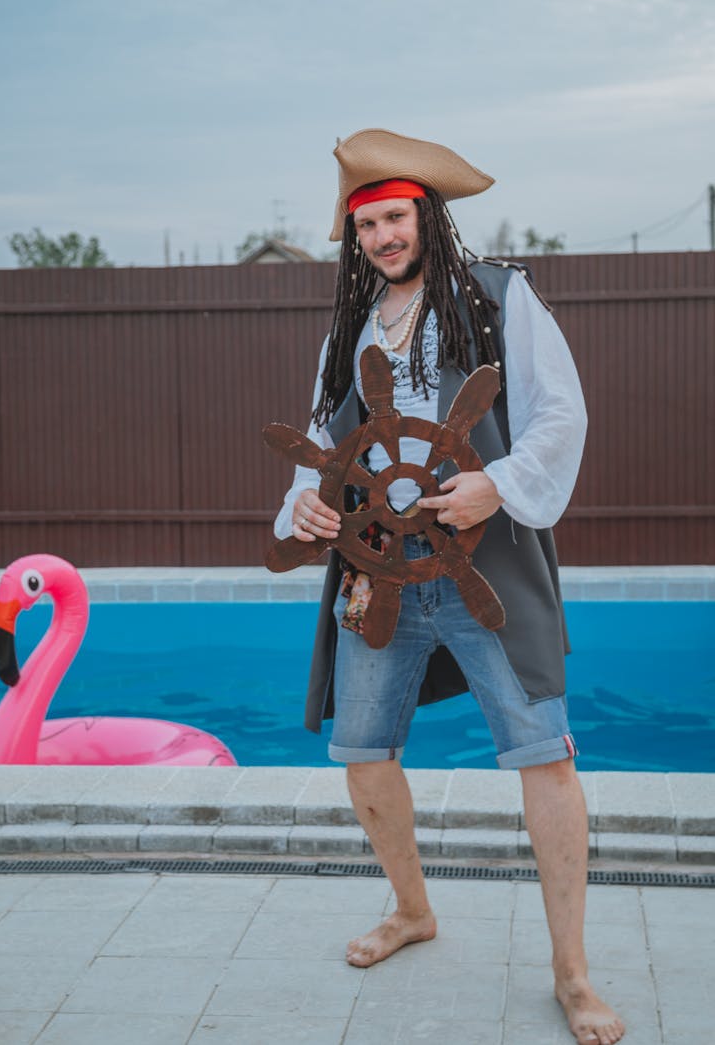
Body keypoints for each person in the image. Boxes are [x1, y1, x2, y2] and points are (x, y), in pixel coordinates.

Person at [274, 128, 625, 1045]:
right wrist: (306, 505)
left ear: (425, 215)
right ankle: (413, 909)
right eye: (367, 224)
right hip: (381, 570)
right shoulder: (350, 330)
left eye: (396, 216)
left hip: (485, 561)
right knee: (361, 750)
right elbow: (326, 438)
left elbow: (559, 412)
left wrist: (496, 485)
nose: (384, 236)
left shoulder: (500, 295)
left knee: (544, 752)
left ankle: (572, 974)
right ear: (353, 237)